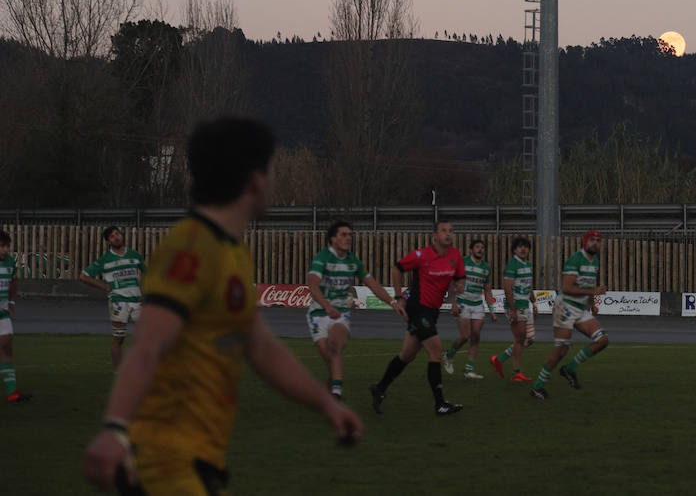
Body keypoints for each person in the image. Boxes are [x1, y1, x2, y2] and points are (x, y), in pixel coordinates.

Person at [80, 117, 362, 493]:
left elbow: (261, 348)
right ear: (254, 180)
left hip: (200, 460)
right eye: (271, 168)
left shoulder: (231, 250)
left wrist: (328, 406)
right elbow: (148, 345)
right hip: (165, 463)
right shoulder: (191, 247)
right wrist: (114, 428)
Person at [368, 220, 465, 416]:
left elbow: (459, 277)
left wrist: (460, 284)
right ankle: (440, 404)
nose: (448, 234)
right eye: (444, 231)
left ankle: (380, 388)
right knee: (436, 351)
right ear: (435, 236)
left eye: (451, 231)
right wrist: (397, 297)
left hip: (432, 312)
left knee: (407, 355)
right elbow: (396, 269)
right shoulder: (421, 255)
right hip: (417, 308)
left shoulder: (456, 256)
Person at [306, 220, 406, 399]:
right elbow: (312, 284)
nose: (348, 238)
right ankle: (330, 392)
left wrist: (392, 303)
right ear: (332, 239)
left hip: (340, 314)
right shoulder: (323, 258)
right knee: (330, 360)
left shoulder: (353, 262)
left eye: (350, 235)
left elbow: (373, 285)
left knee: (335, 346)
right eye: (343, 234)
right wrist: (327, 307)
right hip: (318, 314)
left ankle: (336, 393)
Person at [530, 230, 608, 399]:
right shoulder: (575, 259)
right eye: (592, 240)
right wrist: (593, 291)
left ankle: (570, 368)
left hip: (580, 308)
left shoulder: (594, 261)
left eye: (598, 241)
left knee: (602, 340)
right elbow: (566, 287)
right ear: (585, 242)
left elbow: (590, 283)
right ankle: (537, 386)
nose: (595, 243)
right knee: (561, 351)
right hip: (565, 307)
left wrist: (593, 303)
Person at [79, 227, 148, 370]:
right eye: (111, 236)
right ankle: (119, 372)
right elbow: (83, 276)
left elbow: (148, 273)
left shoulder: (134, 255)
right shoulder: (105, 260)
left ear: (121, 235)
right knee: (119, 338)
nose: (116, 237)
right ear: (108, 241)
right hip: (118, 301)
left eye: (117, 234)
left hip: (137, 300)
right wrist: (104, 286)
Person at [442, 238, 496, 379]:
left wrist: (492, 310)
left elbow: (488, 290)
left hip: (477, 304)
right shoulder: (463, 262)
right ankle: (448, 355)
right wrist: (453, 303)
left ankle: (469, 369)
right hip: (463, 302)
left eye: (482, 247)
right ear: (471, 250)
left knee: (476, 335)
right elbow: (452, 283)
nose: (480, 249)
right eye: (477, 247)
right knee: (465, 335)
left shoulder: (486, 268)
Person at [490, 236, 536, 382]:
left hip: (525, 305)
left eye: (525, 246)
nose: (523, 249)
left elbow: (527, 284)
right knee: (520, 339)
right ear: (514, 250)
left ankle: (499, 359)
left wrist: (532, 299)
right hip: (515, 306)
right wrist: (513, 309)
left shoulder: (528, 265)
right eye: (520, 246)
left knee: (529, 339)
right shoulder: (512, 265)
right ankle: (517, 373)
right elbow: (507, 289)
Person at [1, 228, 33, 404]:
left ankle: (13, 393)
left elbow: (14, 281)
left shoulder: (10, 262)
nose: (6, 250)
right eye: (2, 246)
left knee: (7, 349)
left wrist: (11, 302)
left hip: (3, 312)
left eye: (7, 246)